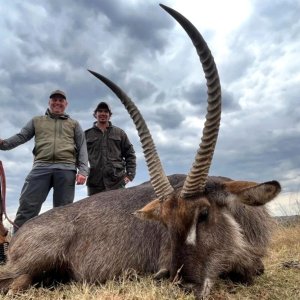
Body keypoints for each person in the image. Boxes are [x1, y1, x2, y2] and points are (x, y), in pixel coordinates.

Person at [0, 90, 89, 232]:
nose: (57, 103)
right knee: (27, 207)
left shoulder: (74, 124)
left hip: (66, 169)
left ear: (66, 104)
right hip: (41, 167)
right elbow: (21, 136)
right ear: (49, 102)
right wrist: (3, 144)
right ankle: (16, 247)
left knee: (63, 213)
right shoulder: (37, 121)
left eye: (61, 100)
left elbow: (82, 147)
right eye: (54, 100)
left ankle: (60, 251)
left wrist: (83, 171)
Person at [85, 102, 136, 196]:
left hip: (117, 182)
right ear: (95, 114)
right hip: (95, 184)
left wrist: (130, 175)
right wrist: (83, 171)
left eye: (106, 111)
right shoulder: (86, 135)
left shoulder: (119, 133)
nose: (103, 113)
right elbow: (78, 156)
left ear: (110, 115)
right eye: (100, 111)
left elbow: (130, 154)